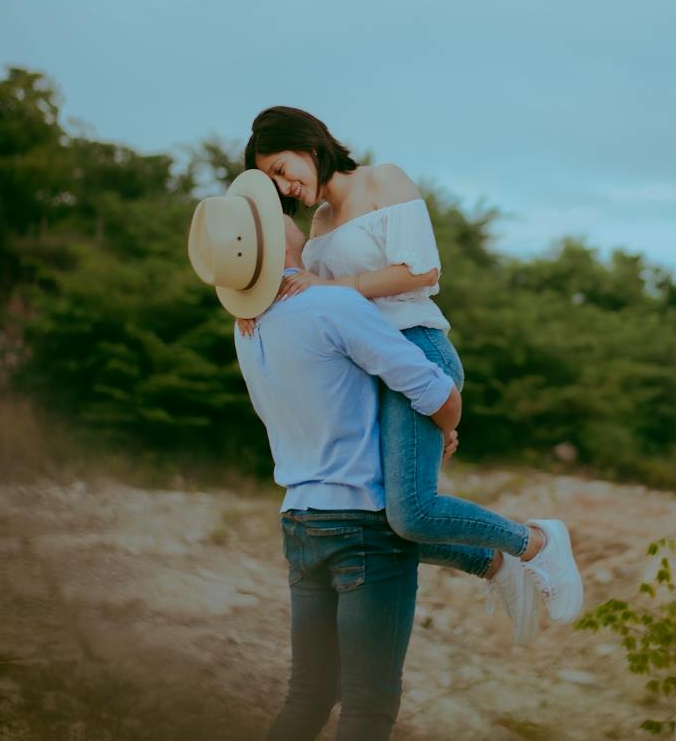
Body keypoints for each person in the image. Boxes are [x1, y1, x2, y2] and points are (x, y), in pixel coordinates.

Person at [187, 171, 578, 738]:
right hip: (362, 528)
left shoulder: (247, 331)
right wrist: (443, 428)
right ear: (278, 241)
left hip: (299, 523)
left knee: (306, 698)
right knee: (369, 709)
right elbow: (432, 388)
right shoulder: (331, 308)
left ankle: (493, 562)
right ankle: (524, 547)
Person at [239, 106, 584, 632]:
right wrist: (250, 303)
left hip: (417, 348)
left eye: (285, 168)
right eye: (274, 181)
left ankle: (536, 542)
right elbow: (302, 295)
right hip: (372, 369)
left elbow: (421, 268)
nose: (286, 185)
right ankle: (492, 564)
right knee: (373, 522)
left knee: (411, 513)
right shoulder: (320, 223)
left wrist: (334, 287)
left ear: (310, 145)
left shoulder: (383, 179)